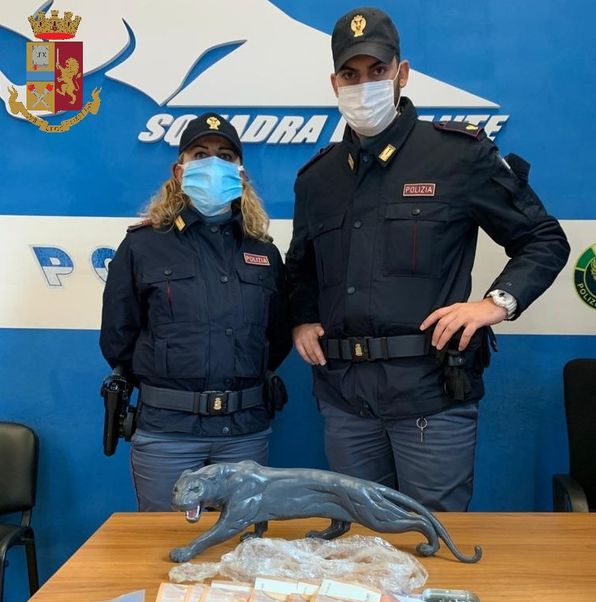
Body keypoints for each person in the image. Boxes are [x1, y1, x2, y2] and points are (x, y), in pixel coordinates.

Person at [286, 7, 569, 518]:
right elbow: (301, 267)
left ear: (402, 73)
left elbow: (544, 239)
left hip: (429, 396)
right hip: (346, 401)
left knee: (430, 537)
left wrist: (495, 303)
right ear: (334, 83)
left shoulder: (457, 156)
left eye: (377, 70)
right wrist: (303, 318)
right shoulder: (317, 178)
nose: (364, 85)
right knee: (359, 541)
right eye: (351, 74)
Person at [100, 112, 291, 511]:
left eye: (225, 156)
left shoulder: (263, 252)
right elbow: (119, 339)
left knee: (241, 542)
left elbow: (275, 338)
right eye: (200, 154)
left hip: (243, 433)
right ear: (179, 169)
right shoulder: (143, 246)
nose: (213, 164)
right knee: (166, 541)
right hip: (167, 433)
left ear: (240, 173)